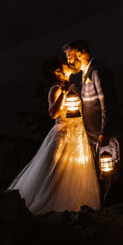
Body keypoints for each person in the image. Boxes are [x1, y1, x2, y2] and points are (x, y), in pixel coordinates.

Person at [8, 58, 100, 214]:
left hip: (78, 134)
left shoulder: (75, 86)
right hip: (64, 133)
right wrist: (63, 93)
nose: (68, 65)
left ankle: (76, 204)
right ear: (58, 71)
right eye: (65, 65)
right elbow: (53, 113)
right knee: (57, 170)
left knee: (76, 170)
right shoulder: (55, 89)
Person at [63, 38, 122, 156]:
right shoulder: (85, 75)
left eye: (70, 58)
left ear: (79, 54)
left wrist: (105, 132)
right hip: (95, 140)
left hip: (106, 140)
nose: (69, 63)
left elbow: (107, 104)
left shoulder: (97, 72)